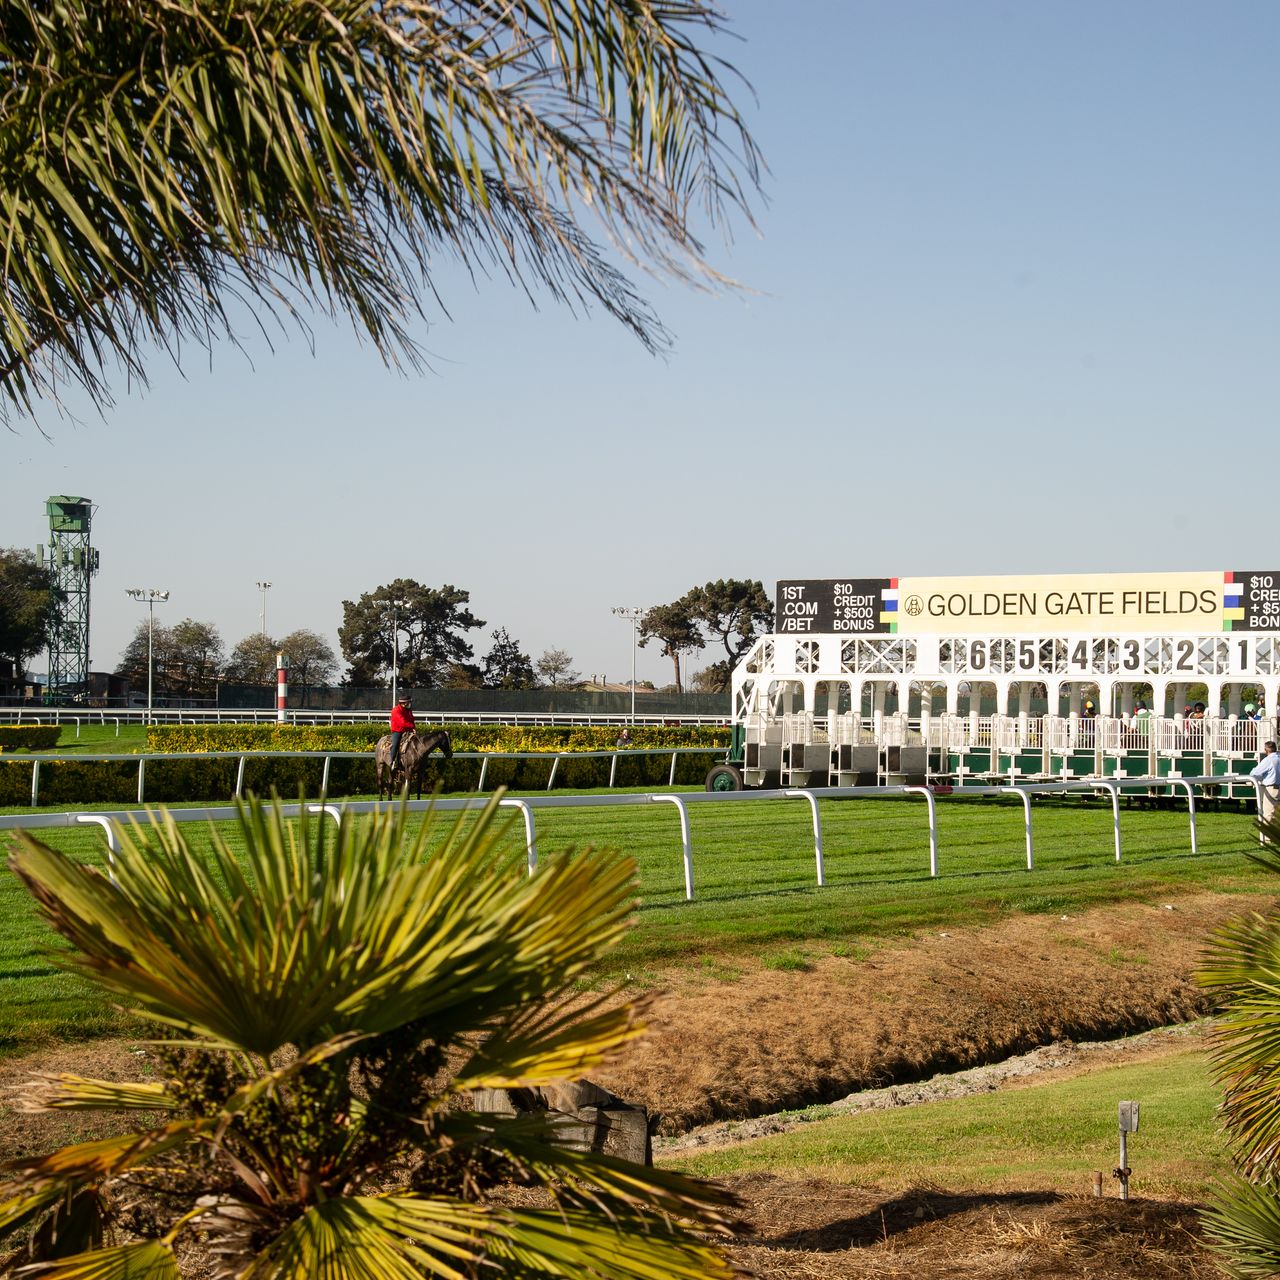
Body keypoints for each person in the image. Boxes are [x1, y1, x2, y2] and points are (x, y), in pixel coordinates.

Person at [1252, 741, 1280, 827]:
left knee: (1268, 814)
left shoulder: (1268, 760)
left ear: (1266, 750)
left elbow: (1254, 773)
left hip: (1272, 789)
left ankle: (1267, 839)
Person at [390, 693, 416, 772]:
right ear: (404, 703)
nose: (410, 704)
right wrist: (412, 727)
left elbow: (412, 719)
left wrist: (414, 728)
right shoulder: (396, 710)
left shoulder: (408, 710)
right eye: (409, 702)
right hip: (397, 731)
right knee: (395, 745)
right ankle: (393, 762)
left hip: (408, 730)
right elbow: (403, 722)